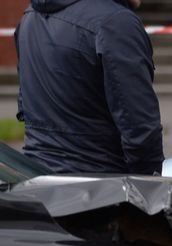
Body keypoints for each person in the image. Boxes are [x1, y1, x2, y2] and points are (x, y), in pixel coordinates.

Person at [15, 0, 164, 175]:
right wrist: (147, 190)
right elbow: (141, 131)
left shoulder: (30, 16)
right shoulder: (116, 23)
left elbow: (26, 106)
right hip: (99, 188)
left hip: (38, 182)